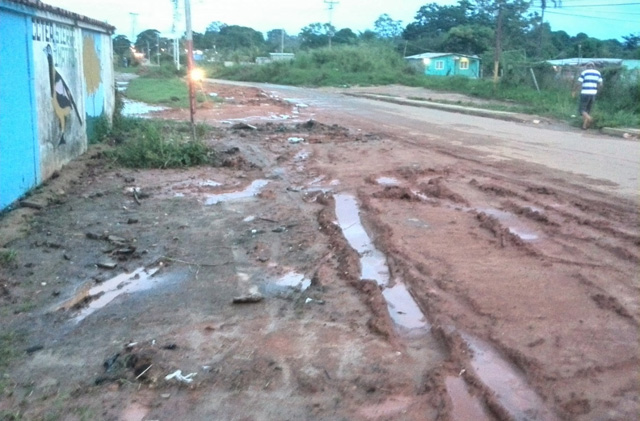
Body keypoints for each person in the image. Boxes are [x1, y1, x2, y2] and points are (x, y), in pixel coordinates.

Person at [573, 62, 603, 130]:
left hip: (585, 93)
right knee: (588, 110)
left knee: (582, 110)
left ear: (587, 67)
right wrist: (597, 91)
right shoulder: (598, 73)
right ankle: (584, 126)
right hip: (593, 93)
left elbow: (579, 82)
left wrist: (574, 90)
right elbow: (600, 84)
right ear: (594, 67)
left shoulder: (584, 72)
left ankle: (590, 119)